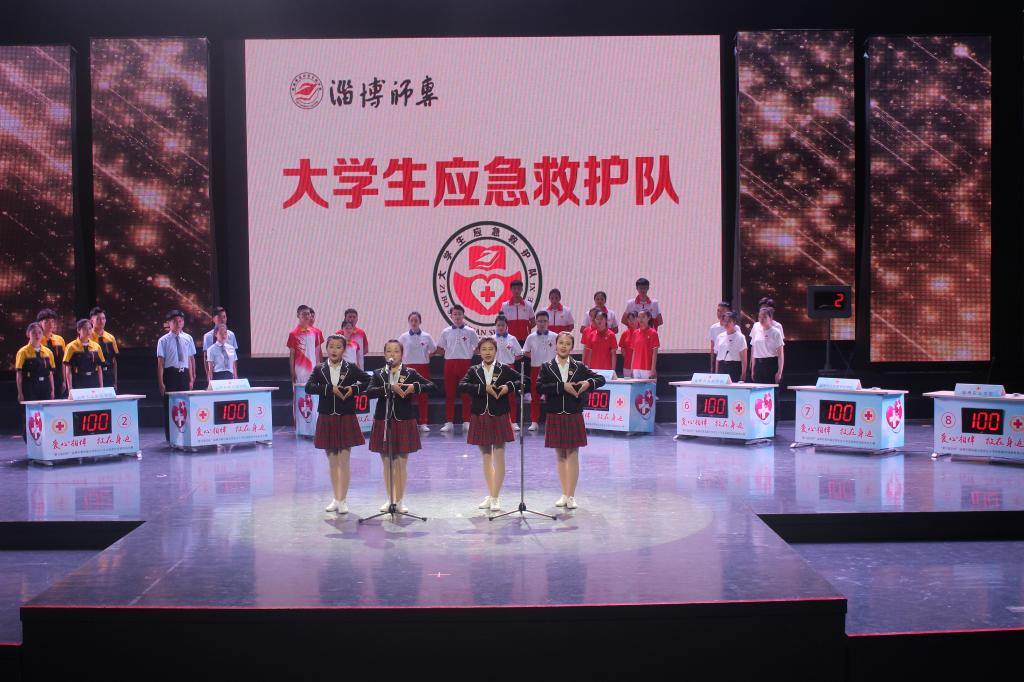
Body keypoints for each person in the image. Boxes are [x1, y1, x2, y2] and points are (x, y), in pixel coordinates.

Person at [536, 332, 606, 510]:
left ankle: (571, 495)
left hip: (573, 415)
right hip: (555, 414)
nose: (564, 346)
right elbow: (539, 387)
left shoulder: (579, 366)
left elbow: (601, 379)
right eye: (561, 343)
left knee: (573, 454)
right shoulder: (547, 367)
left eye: (567, 344)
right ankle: (564, 493)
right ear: (556, 344)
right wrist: (561, 386)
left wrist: (588, 383)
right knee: (560, 456)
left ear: (572, 347)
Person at [366, 340, 435, 513]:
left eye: (396, 351)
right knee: (387, 463)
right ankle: (390, 499)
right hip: (383, 420)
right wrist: (389, 387)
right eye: (389, 351)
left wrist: (413, 388)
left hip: (404, 420)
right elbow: (369, 392)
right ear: (384, 354)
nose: (392, 354)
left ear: (402, 354)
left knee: (401, 463)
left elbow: (431, 386)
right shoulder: (379, 373)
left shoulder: (410, 372)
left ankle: (400, 500)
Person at [306, 334, 371, 514]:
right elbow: (309, 387)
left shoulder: (351, 368)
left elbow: (369, 380)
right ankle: (336, 498)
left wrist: (353, 389)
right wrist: (329, 389)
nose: (334, 350)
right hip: (327, 417)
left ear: (344, 350)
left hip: (345, 416)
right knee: (333, 461)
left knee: (344, 460)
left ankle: (343, 500)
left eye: (338, 347)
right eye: (331, 346)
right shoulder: (319, 369)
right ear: (326, 348)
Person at [459, 337, 522, 512]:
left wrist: (508, 387)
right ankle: (491, 493)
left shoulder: (504, 369)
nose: (487, 352)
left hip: (500, 415)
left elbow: (524, 380)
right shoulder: (474, 370)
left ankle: (495, 497)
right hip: (480, 416)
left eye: (490, 349)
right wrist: (482, 388)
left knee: (499, 456)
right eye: (484, 349)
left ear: (496, 350)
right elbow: (462, 385)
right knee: (486, 457)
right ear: (479, 352)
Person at [433, 305, 479, 432]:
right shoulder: (446, 332)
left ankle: (466, 421)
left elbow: (478, 347)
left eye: (459, 314)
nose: (457, 316)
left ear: (463, 316)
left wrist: (469, 354)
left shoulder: (470, 331)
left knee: (466, 394)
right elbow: (440, 348)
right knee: (450, 394)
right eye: (455, 314)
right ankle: (449, 422)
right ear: (451, 316)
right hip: (450, 363)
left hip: (465, 363)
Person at [157, 310, 196, 440]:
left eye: (180, 321)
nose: (178, 324)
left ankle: (185, 436)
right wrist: (161, 382)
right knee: (170, 406)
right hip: (171, 374)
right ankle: (171, 437)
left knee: (185, 405)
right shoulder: (163, 340)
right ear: (169, 323)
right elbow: (161, 363)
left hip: (184, 374)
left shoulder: (188, 338)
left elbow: (190, 359)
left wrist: (191, 378)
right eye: (175, 321)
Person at [398, 311, 436, 432]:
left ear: (420, 322)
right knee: (406, 395)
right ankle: (405, 421)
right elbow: (398, 351)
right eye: (412, 320)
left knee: (422, 395)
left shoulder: (427, 336)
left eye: (416, 320)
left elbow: (434, 349)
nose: (414, 323)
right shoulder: (403, 337)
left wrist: (425, 357)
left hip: (423, 368)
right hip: (408, 368)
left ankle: (423, 422)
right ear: (409, 322)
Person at [523, 310, 556, 431]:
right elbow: (525, 351)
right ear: (536, 322)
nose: (542, 323)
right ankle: (534, 421)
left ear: (548, 322)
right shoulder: (531, 337)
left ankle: (552, 420)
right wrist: (535, 356)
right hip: (535, 368)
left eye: (545, 321)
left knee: (551, 395)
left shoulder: (555, 336)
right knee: (535, 395)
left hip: (551, 369)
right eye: (540, 321)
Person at [493, 315, 524, 430]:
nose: (501, 327)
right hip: (495, 369)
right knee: (495, 395)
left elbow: (519, 354)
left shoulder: (512, 339)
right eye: (498, 325)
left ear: (506, 326)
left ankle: (513, 421)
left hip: (509, 368)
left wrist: (510, 360)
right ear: (495, 326)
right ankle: (496, 421)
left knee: (510, 396)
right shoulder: (491, 339)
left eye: (503, 325)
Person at [16, 322, 55, 403]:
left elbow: (50, 373)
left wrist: (52, 390)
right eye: (34, 333)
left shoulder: (48, 352)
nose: (37, 335)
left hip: (45, 386)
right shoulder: (22, 352)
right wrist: (20, 393)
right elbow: (19, 374)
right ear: (28, 334)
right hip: (30, 386)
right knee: (33, 410)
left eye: (40, 332)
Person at [64, 318, 105, 390]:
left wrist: (101, 386)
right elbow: (68, 370)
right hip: (78, 381)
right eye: (85, 328)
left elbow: (99, 368)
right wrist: (70, 389)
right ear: (78, 330)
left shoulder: (97, 346)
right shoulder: (71, 346)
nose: (88, 331)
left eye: (90, 328)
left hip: (93, 381)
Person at [288, 304, 323, 387]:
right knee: (300, 394)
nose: (307, 316)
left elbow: (317, 353)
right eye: (304, 314)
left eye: (308, 314)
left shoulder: (315, 333)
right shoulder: (293, 334)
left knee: (313, 394)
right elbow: (292, 354)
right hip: (299, 372)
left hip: (313, 371)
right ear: (298, 315)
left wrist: (319, 370)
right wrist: (292, 371)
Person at [750, 306, 785, 385]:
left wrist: (779, 372)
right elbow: (754, 351)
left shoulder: (776, 332)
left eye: (764, 317)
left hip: (771, 364)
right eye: (760, 317)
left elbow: (781, 355)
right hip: (758, 365)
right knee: (758, 390)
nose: (761, 320)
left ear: (770, 318)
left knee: (770, 390)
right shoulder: (756, 330)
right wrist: (753, 369)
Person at [37, 309, 67, 398]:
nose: (50, 324)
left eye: (52, 321)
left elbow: (63, 362)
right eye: (46, 322)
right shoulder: (37, 340)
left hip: (58, 377)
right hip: (43, 378)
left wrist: (64, 380)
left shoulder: (60, 340)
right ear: (40, 323)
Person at [88, 306, 119, 391]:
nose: (101, 321)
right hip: (93, 375)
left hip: (108, 375)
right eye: (98, 319)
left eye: (103, 318)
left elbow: (114, 361)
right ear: (92, 321)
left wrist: (115, 381)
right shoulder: (88, 337)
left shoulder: (110, 338)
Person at [715, 311, 747, 383]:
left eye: (729, 321)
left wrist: (743, 375)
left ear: (734, 322)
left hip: (734, 368)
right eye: (725, 321)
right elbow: (717, 357)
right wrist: (716, 373)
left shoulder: (740, 337)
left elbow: (744, 360)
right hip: (722, 367)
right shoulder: (720, 336)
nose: (726, 323)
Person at [499, 279, 535, 344]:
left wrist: (526, 329)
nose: (516, 291)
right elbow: (500, 322)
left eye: (518, 288)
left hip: (525, 339)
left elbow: (533, 322)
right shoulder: (504, 306)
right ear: (511, 289)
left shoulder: (528, 305)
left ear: (522, 289)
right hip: (509, 339)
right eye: (514, 288)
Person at [630, 310, 659, 380]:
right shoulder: (635, 333)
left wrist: (652, 369)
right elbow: (634, 352)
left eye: (643, 317)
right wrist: (631, 368)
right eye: (639, 317)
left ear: (648, 318)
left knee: (647, 387)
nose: (640, 319)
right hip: (636, 369)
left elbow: (654, 353)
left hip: (647, 368)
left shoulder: (653, 333)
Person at [708, 301, 730, 372]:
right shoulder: (713, 327)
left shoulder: (734, 327)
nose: (720, 313)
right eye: (718, 311)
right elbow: (712, 347)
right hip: (717, 358)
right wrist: (712, 364)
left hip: (730, 358)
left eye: (722, 310)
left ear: (728, 312)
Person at [619, 311, 638, 378]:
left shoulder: (641, 332)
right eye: (629, 319)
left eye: (633, 319)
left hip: (639, 366)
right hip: (627, 365)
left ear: (638, 319)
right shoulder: (625, 333)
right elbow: (622, 349)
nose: (631, 321)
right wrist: (628, 358)